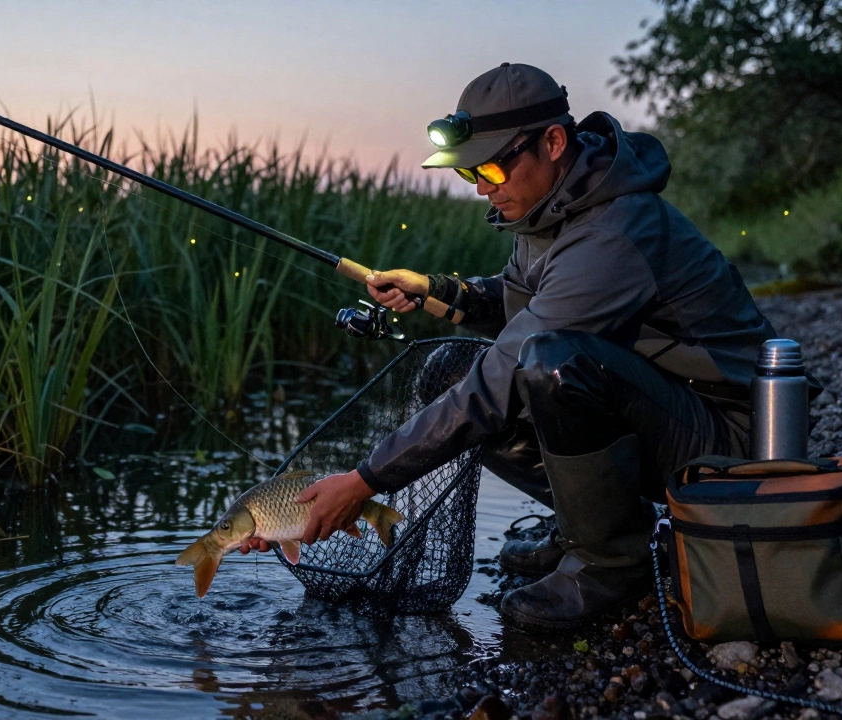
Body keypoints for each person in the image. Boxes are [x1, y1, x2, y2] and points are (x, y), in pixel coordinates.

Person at [243, 63, 796, 630]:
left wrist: (364, 482)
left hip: (727, 441)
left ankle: (612, 560)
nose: (482, 188)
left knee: (551, 365)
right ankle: (585, 526)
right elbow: (521, 303)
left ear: (553, 142)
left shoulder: (614, 230)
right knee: (451, 369)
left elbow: (510, 369)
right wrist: (436, 290)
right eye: (468, 175)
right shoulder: (548, 210)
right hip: (659, 409)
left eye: (489, 168)